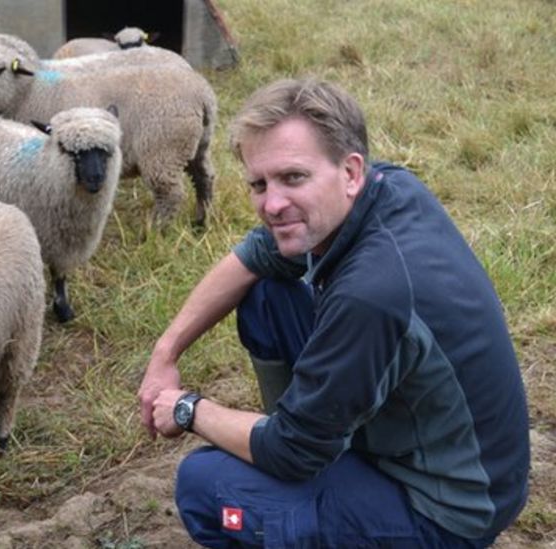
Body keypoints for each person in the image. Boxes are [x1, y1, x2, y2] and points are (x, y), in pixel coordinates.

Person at [137, 77, 529, 548]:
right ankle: (308, 429)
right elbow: (254, 257)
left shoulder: (371, 293)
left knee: (204, 484)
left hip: (447, 512)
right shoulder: (388, 188)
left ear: (350, 171)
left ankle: (307, 446)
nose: (273, 204)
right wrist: (166, 350)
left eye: (293, 178)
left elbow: (289, 452)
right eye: (258, 184)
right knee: (266, 293)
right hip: (454, 453)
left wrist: (187, 408)